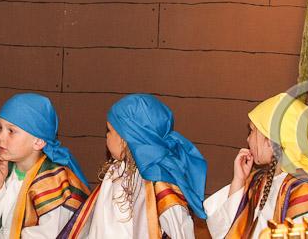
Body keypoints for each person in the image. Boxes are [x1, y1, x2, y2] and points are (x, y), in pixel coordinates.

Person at [59, 94, 206, 239]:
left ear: (127, 138)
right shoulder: (117, 170)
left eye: (109, 130)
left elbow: (180, 231)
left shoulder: (159, 182)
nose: (107, 136)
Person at [204, 93, 308, 239]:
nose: (248, 139)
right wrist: (239, 180)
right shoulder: (260, 179)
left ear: (270, 141)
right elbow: (229, 228)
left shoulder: (302, 191)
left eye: (252, 131)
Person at [0, 93, 90, 238]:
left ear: (38, 142)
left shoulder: (53, 181)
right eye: (0, 128)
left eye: (11, 131)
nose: (0, 137)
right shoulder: (4, 168)